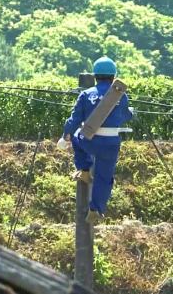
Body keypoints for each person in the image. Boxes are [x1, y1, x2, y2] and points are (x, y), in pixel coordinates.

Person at [62, 56, 133, 224]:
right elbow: (125, 116)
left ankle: (84, 170)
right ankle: (96, 210)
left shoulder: (86, 94)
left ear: (95, 76)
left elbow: (74, 120)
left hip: (89, 141)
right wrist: (131, 112)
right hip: (111, 143)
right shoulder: (120, 96)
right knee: (104, 177)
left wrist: (66, 135)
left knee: (77, 137)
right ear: (113, 76)